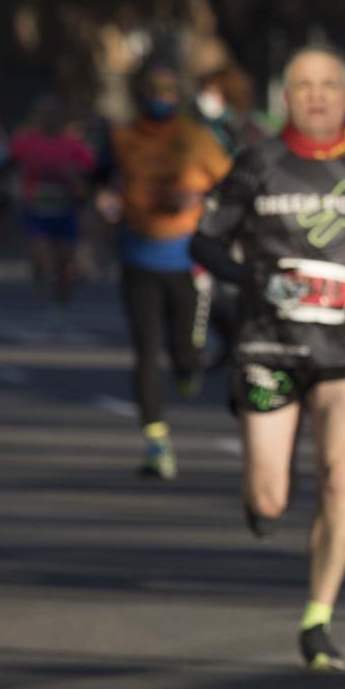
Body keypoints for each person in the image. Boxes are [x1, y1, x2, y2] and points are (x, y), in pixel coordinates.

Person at [189, 46, 345, 672]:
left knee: (340, 476)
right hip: (268, 345)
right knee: (273, 499)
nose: (316, 95)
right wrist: (249, 278)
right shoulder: (258, 162)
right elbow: (206, 238)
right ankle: (259, 496)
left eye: (328, 84)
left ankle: (319, 614)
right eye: (302, 84)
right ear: (286, 97)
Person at [98, 59, 234, 479]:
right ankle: (156, 441)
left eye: (169, 91)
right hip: (139, 256)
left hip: (187, 259)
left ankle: (190, 367)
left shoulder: (197, 137)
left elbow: (232, 188)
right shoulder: (122, 139)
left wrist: (197, 200)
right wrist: (105, 201)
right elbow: (98, 181)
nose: (161, 98)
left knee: (185, 353)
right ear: (140, 95)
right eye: (153, 91)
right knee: (145, 352)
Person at [9, 95, 97, 316]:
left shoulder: (72, 144)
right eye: (44, 115)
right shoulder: (26, 141)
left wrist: (75, 178)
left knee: (65, 261)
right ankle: (43, 279)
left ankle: (61, 295)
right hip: (37, 209)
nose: (49, 120)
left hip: (64, 210)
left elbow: (92, 169)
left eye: (53, 115)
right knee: (43, 254)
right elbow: (9, 162)